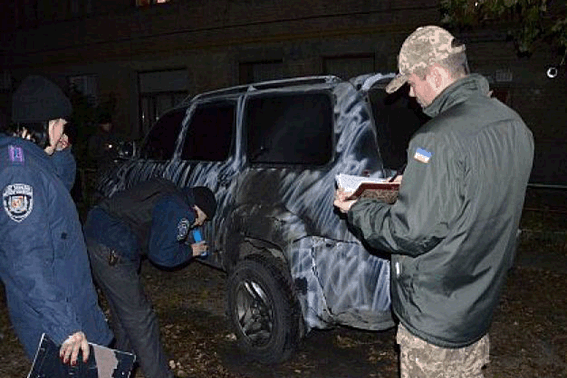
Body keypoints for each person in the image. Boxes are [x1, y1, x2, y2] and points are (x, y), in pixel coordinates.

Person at [334, 25, 534, 377]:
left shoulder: (437, 137)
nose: (411, 94)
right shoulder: (513, 125)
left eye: (413, 82)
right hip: (477, 304)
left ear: (437, 75)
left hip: (435, 315)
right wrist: (414, 183)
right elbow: (473, 197)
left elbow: (411, 233)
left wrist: (359, 209)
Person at [0, 75, 113, 365]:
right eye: (61, 122)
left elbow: (59, 187)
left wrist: (61, 152)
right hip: (56, 318)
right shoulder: (19, 172)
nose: (65, 128)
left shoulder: (33, 160)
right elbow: (26, 260)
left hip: (69, 300)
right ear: (46, 123)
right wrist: (65, 327)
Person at [83, 177, 217, 378]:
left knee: (124, 316)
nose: (197, 224)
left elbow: (149, 225)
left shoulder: (169, 193)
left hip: (95, 237)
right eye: (202, 219)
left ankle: (116, 371)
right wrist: (191, 251)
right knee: (142, 319)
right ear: (197, 209)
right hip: (112, 247)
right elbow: (161, 255)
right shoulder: (182, 211)